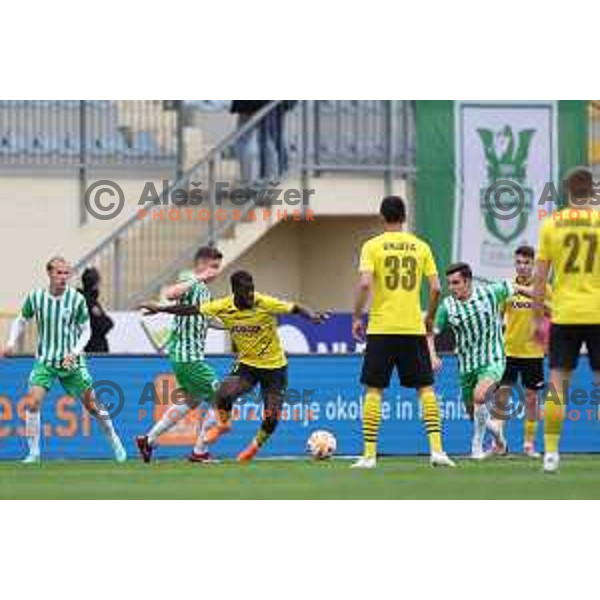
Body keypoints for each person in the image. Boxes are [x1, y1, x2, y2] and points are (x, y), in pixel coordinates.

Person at [139, 270, 329, 462]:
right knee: (222, 395)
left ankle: (253, 448)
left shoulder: (263, 302)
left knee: (271, 418)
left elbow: (295, 307)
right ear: (235, 291)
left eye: (252, 290)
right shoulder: (224, 305)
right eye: (246, 292)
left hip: (275, 368)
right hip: (248, 365)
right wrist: (161, 309)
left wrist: (312, 316)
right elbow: (192, 310)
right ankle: (221, 425)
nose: (250, 296)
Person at [351, 195, 454, 469]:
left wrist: (357, 316)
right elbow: (436, 289)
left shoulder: (372, 246)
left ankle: (370, 455)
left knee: (374, 389)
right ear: (405, 217)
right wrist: (429, 318)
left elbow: (363, 285)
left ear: (382, 218)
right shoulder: (420, 247)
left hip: (382, 327)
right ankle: (437, 451)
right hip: (412, 327)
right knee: (426, 388)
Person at [0, 256, 126, 463]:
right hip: (46, 361)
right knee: (32, 402)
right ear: (49, 273)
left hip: (72, 361)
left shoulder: (76, 299)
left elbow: (86, 330)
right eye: (58, 273)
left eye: (66, 273)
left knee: (93, 406)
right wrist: (11, 342)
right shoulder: (37, 297)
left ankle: (115, 441)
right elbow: (21, 320)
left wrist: (74, 352)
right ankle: (33, 453)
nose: (63, 277)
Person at [532, 166, 600, 474]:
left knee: (558, 382)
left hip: (565, 313)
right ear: (592, 190)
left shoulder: (551, 225)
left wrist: (536, 319)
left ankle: (551, 453)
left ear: (567, 191)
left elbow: (539, 279)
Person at [432, 263, 533, 459]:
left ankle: (476, 447)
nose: (452, 288)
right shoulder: (447, 306)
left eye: (456, 283)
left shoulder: (490, 293)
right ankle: (498, 438)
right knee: (473, 412)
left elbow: (518, 288)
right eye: (450, 284)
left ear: (468, 281)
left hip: (492, 358)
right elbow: (431, 332)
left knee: (480, 396)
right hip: (467, 364)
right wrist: (432, 354)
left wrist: (541, 298)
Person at [135, 246, 224, 463]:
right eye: (213, 266)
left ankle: (148, 439)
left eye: (218, 268)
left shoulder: (203, 289)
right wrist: (200, 276)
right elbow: (170, 294)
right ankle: (199, 452)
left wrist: (233, 326)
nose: (216, 272)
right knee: (223, 400)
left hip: (186, 355)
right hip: (188, 356)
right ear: (202, 263)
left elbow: (206, 319)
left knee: (191, 401)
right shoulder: (190, 278)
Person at [496, 245, 551, 457]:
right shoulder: (507, 289)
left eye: (526, 263)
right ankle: (499, 444)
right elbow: (497, 317)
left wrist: (527, 293)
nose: (522, 266)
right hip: (509, 350)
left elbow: (552, 309)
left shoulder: (543, 288)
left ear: (533, 264)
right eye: (519, 262)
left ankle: (528, 445)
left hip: (533, 353)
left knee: (531, 399)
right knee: (502, 398)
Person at [79, 267, 114, 353]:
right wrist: (108, 321)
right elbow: (102, 324)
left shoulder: (83, 299)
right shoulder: (90, 302)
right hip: (94, 347)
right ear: (95, 284)